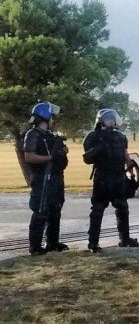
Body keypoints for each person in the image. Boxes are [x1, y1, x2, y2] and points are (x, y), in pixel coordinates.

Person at [83, 108, 139, 252]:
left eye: (113, 119)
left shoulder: (120, 137)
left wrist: (132, 173)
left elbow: (125, 154)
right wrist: (99, 148)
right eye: (109, 119)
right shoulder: (92, 137)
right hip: (102, 177)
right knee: (97, 210)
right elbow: (87, 158)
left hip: (119, 177)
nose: (112, 121)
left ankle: (124, 239)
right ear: (101, 120)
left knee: (122, 207)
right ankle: (93, 243)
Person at [23, 102, 69, 255]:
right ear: (46, 117)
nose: (53, 121)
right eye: (51, 118)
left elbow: (57, 155)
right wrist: (51, 157)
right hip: (42, 178)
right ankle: (35, 247)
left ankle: (52, 243)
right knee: (41, 211)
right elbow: (29, 157)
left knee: (55, 210)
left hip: (56, 177)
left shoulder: (49, 135)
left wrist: (62, 151)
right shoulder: (32, 134)